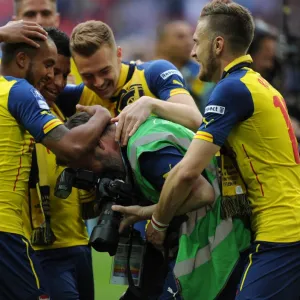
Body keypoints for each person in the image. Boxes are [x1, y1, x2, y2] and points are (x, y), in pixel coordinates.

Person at [147, 1, 300, 299]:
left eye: (196, 42)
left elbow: (187, 171)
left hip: (283, 232)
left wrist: (158, 223)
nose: (192, 53)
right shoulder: (255, 84)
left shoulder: (232, 89)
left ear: (217, 45)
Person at [58, 110, 251, 300]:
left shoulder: (146, 148)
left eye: (84, 165)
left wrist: (148, 214)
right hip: (210, 240)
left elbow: (201, 194)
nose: (91, 173)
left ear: (98, 144)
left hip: (220, 245)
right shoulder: (137, 138)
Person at [0, 25, 110, 299]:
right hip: (6, 231)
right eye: (48, 65)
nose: (52, 76)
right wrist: (101, 115)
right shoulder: (20, 91)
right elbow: (70, 148)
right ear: (23, 60)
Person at [22, 27, 94, 300]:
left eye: (64, 73)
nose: (58, 81)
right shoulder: (16, 106)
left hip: (79, 243)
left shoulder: (63, 108)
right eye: (52, 70)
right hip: (40, 251)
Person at [57, 20, 202, 146]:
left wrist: (150, 104)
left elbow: (197, 120)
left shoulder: (153, 73)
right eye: (88, 76)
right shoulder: (76, 97)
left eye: (105, 71)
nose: (99, 82)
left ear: (119, 54)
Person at [12, 0, 82, 84]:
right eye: (30, 14)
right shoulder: (2, 68)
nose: (39, 21)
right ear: (15, 22)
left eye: (46, 13)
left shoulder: (80, 66)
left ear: (57, 20)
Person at [155, 20, 215, 113]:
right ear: (161, 44)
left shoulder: (202, 75)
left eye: (191, 36)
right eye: (180, 37)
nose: (189, 42)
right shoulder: (147, 74)